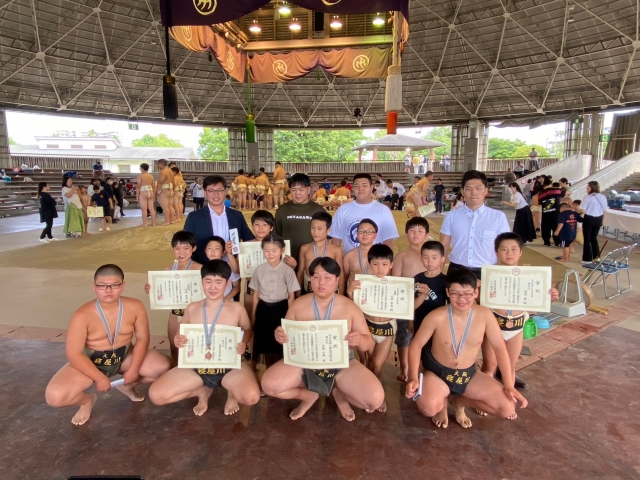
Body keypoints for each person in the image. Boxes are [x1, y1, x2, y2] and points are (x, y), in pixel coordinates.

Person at [45, 264, 171, 425]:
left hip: (124, 356)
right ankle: (87, 401)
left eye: (114, 285)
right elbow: (73, 354)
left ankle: (127, 386)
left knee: (163, 367)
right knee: (55, 397)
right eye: (102, 285)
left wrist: (133, 370)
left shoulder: (135, 306)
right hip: (93, 361)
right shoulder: (82, 315)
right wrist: (99, 378)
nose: (108, 290)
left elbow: (143, 339)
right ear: (94, 287)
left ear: (123, 286)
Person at [261, 257, 384, 421]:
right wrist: (280, 336)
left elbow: (368, 342)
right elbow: (287, 338)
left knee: (374, 400)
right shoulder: (298, 305)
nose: (321, 282)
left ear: (337, 280)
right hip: (304, 362)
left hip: (342, 364)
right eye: (316, 277)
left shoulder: (350, 307)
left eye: (327, 277)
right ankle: (308, 396)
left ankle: (340, 393)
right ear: (310, 278)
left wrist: (360, 340)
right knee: (269, 385)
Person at [405, 267, 528, 429]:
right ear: (447, 292)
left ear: (476, 292)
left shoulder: (485, 315)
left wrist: (508, 385)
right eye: (455, 293)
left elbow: (499, 348)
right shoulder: (436, 316)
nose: (462, 299)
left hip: (468, 374)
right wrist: (413, 377)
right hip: (437, 373)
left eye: (467, 294)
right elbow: (416, 345)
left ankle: (459, 401)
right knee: (428, 407)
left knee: (507, 407)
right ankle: (441, 405)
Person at [148, 260, 260, 417]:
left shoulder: (237, 308)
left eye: (218, 282)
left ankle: (232, 394)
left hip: (230, 366)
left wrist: (243, 343)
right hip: (197, 366)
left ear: (227, 283)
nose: (212, 287)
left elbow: (247, 329)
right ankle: (202, 391)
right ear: (201, 282)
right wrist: (178, 340)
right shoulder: (192, 308)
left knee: (251, 397)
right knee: (156, 395)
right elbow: (181, 333)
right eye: (208, 281)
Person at [480, 233, 559, 391]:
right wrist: (477, 289)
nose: (509, 253)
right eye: (504, 249)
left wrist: (549, 297)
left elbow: (533, 307)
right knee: (490, 365)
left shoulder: (531, 277)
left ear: (521, 252)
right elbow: (478, 303)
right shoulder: (489, 276)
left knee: (510, 366)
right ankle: (483, 395)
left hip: (517, 326)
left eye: (514, 249)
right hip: (493, 325)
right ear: (496, 252)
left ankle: (508, 394)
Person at [346, 244, 397, 413]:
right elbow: (353, 308)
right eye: (375, 264)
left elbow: (406, 306)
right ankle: (367, 394)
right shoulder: (363, 283)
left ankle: (378, 398)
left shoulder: (398, 285)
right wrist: (350, 293)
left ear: (391, 265)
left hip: (387, 329)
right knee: (368, 363)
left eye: (384, 264)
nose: (380, 268)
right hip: (368, 328)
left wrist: (422, 295)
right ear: (369, 264)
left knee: (377, 366)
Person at [144, 231, 202, 366]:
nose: (181, 252)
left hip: (193, 315)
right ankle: (175, 372)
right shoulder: (169, 268)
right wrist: (153, 289)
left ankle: (192, 375)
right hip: (174, 313)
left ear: (194, 248)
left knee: (192, 347)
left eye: (186, 248)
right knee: (174, 346)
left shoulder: (199, 268)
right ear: (172, 249)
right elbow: (164, 290)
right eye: (177, 248)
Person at [440, 170, 510, 280]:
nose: (473, 193)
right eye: (468, 189)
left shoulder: (498, 217)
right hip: (457, 271)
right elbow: (442, 247)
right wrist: (438, 276)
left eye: (478, 188)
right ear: (463, 192)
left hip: (486, 272)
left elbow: (506, 248)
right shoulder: (451, 216)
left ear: (486, 191)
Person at [250, 234, 300, 368]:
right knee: (264, 341)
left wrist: (290, 318)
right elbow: (256, 295)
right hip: (263, 309)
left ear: (282, 250)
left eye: (274, 250)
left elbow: (291, 296)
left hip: (281, 309)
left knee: (280, 342)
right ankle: (267, 369)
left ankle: (281, 370)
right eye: (266, 251)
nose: (270, 254)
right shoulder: (259, 270)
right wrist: (253, 315)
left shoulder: (288, 270)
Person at [391, 217, 431, 381]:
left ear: (427, 235)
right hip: (406, 299)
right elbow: (395, 281)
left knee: (426, 334)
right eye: (412, 231)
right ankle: (404, 367)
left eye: (420, 231)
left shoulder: (431, 255)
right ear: (406, 234)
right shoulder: (401, 256)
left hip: (428, 300)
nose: (416, 234)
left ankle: (423, 365)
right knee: (404, 336)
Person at [184, 175, 255, 264]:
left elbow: (249, 239)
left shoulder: (237, 216)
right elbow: (186, 244)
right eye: (211, 190)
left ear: (225, 192)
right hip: (205, 268)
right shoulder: (194, 217)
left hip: (232, 268)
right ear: (205, 193)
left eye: (220, 190)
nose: (216, 194)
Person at [331, 173, 399, 254]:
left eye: (364, 185)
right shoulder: (343, 209)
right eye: (357, 186)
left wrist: (387, 260)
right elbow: (336, 240)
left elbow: (388, 240)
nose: (360, 189)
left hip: (375, 260)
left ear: (371, 188)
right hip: (349, 260)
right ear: (353, 188)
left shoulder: (383, 210)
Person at [274, 173, 325, 261]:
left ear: (308, 189)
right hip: (287, 260)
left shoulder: (319, 210)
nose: (297, 193)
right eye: (293, 189)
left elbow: (325, 238)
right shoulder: (282, 210)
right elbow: (277, 235)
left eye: (301, 189)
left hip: (312, 260)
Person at [298, 211, 344, 295]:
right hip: (309, 291)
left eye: (319, 229)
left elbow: (341, 274)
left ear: (328, 230)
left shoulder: (336, 250)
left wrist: (341, 295)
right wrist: (298, 295)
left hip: (330, 292)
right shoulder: (304, 249)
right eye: (313, 228)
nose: (315, 232)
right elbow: (300, 272)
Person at [413, 241, 447, 333]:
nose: (430, 261)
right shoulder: (417, 278)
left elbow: (450, 306)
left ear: (442, 259)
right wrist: (410, 321)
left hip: (437, 323)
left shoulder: (445, 281)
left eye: (434, 258)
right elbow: (411, 303)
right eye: (426, 257)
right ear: (421, 259)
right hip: (418, 321)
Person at [203, 236, 241, 301]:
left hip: (226, 303)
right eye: (209, 248)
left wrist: (225, 299)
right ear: (205, 251)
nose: (213, 251)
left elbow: (237, 286)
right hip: (208, 303)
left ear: (223, 252)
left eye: (217, 248)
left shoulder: (229, 266)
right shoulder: (201, 268)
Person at [579, 181, 609, 263]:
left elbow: (583, 210)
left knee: (587, 239)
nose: (586, 188)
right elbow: (605, 211)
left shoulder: (587, 197)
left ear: (591, 187)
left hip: (589, 219)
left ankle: (587, 259)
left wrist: (577, 211)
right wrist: (602, 220)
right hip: (599, 219)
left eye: (588, 186)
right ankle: (597, 257)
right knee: (594, 238)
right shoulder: (603, 197)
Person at [342, 218, 378, 286]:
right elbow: (345, 278)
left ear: (375, 235)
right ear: (357, 234)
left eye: (369, 231)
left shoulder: (382, 255)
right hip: (353, 292)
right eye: (361, 231)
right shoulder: (348, 256)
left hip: (374, 291)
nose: (365, 234)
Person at [537, 176, 564, 247]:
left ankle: (546, 242)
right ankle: (557, 242)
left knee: (545, 227)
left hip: (545, 212)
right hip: (555, 212)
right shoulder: (556, 190)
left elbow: (539, 203)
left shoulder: (541, 193)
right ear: (551, 184)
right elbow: (563, 192)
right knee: (555, 226)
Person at [156, 159, 175, 225]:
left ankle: (166, 221)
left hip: (164, 189)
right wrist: (173, 190)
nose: (158, 166)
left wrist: (157, 191)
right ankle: (172, 220)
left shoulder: (162, 172)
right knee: (170, 206)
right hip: (170, 189)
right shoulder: (171, 171)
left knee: (165, 207)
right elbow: (173, 182)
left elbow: (160, 182)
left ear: (161, 164)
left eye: (158, 164)